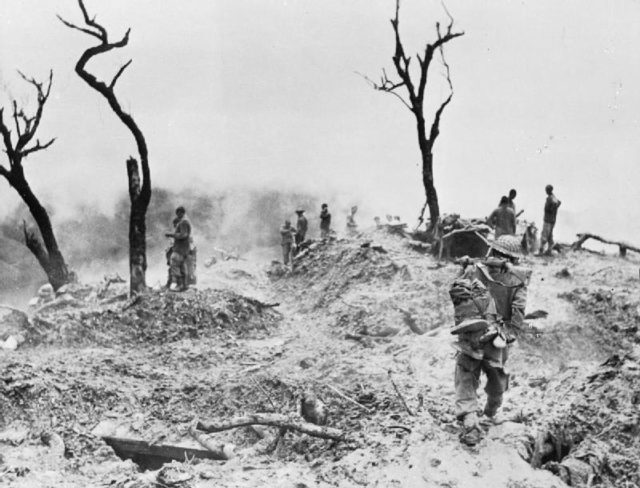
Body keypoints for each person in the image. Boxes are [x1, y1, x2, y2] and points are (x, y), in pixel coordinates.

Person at [450, 236, 530, 446]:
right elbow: (519, 312)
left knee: (466, 374)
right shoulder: (518, 279)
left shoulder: (474, 270)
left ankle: (470, 417)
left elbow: (458, 296)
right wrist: (510, 333)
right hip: (498, 336)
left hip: (472, 333)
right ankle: (490, 412)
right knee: (496, 376)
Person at [165, 206, 192, 291]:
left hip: (180, 248)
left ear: (181, 213)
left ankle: (179, 284)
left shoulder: (183, 222)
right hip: (183, 248)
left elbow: (184, 235)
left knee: (175, 263)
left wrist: (171, 234)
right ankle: (183, 285)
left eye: (178, 213)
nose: (177, 215)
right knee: (181, 266)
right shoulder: (184, 222)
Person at [539, 184, 561, 256]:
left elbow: (552, 208)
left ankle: (541, 251)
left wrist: (551, 208)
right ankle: (549, 250)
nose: (546, 191)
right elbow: (558, 203)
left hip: (548, 220)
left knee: (544, 235)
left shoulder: (550, 198)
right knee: (550, 236)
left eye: (546, 190)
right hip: (552, 220)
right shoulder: (554, 198)